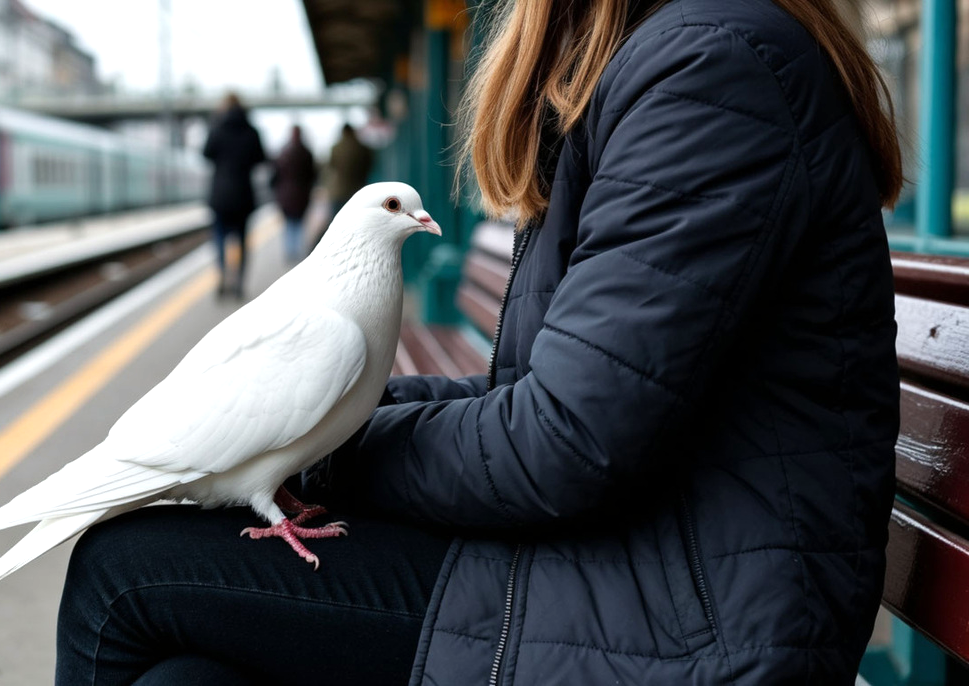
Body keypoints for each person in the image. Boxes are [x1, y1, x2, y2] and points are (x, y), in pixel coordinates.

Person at [55, 0, 902, 683]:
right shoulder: (676, 61)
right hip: (647, 564)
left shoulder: (711, 67)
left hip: (692, 621)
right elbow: (554, 397)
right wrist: (321, 413)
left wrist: (326, 446)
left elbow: (567, 440)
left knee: (123, 573)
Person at [202, 93, 266, 298]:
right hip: (243, 194)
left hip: (220, 195)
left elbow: (206, 154)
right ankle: (238, 282)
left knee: (220, 238)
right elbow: (261, 158)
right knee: (242, 240)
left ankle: (222, 276)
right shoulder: (251, 131)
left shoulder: (217, 128)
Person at [316, 123, 374, 248]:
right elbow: (370, 165)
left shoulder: (336, 148)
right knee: (358, 225)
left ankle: (339, 248)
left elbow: (331, 167)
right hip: (358, 191)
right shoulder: (363, 148)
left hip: (338, 192)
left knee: (338, 224)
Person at [271, 125, 318, 261]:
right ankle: (298, 253)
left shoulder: (283, 152)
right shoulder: (307, 153)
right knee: (299, 224)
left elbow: (275, 175)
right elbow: (313, 175)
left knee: (288, 224)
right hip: (302, 195)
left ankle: (289, 251)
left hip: (285, 196)